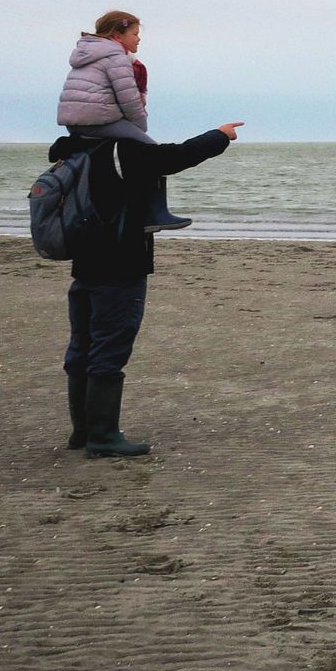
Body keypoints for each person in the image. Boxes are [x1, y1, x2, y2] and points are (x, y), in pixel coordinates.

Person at [49, 112, 244, 458]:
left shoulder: (75, 149)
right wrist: (220, 136)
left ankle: (83, 431)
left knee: (83, 345)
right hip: (120, 263)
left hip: (86, 261)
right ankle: (103, 436)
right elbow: (175, 157)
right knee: (109, 348)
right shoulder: (122, 150)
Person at [57, 11, 190, 230]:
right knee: (151, 152)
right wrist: (140, 127)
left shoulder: (87, 54)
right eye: (135, 33)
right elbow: (128, 99)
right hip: (99, 120)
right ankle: (154, 213)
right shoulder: (116, 57)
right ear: (118, 35)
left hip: (75, 122)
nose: (139, 39)